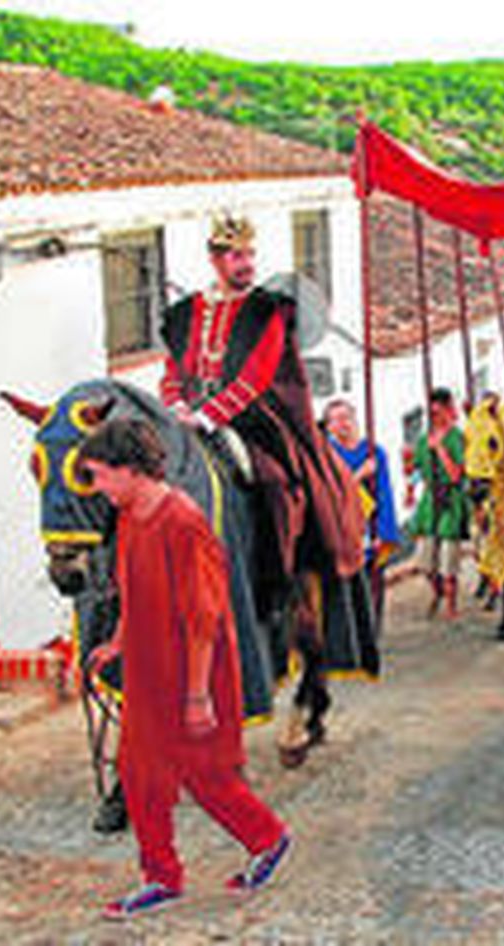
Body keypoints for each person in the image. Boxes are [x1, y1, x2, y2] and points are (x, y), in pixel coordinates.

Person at [158, 213, 376, 754]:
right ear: (216, 260)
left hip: (256, 420)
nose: (246, 264)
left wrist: (210, 416)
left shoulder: (267, 310)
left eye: (250, 254)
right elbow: (173, 370)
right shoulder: (186, 314)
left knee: (276, 481)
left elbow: (257, 374)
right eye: (236, 256)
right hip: (189, 419)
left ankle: (278, 577)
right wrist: (176, 406)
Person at [80, 418, 291, 921]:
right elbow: (131, 587)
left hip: (194, 670)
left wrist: (198, 696)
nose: (97, 487)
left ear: (130, 470)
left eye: (101, 475)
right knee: (137, 772)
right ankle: (161, 877)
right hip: (148, 666)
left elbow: (204, 617)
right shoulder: (128, 515)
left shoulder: (183, 521)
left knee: (205, 774)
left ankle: (268, 838)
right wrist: (116, 642)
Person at [323, 399, 401, 635]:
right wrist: (359, 475)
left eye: (346, 417)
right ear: (329, 426)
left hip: (369, 529)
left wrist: (384, 533)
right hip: (343, 531)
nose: (343, 424)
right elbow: (331, 492)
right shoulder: (327, 455)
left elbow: (384, 494)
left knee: (373, 588)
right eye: (336, 420)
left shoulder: (374, 452)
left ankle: (372, 635)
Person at [406, 389, 470, 621]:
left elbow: (456, 475)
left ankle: (451, 606)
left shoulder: (457, 438)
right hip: (430, 501)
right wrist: (410, 490)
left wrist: (440, 450)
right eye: (432, 414)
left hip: (450, 500)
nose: (436, 418)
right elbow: (416, 469)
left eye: (439, 412)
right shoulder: (424, 439)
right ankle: (438, 592)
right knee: (425, 564)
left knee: (448, 563)